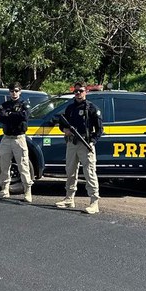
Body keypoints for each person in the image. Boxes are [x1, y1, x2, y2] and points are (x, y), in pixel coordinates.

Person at [56, 81, 104, 214]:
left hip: (85, 143)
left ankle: (94, 202)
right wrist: (65, 129)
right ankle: (69, 198)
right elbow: (62, 123)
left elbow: (99, 129)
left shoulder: (92, 108)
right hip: (72, 143)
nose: (78, 93)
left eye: (80, 91)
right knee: (70, 171)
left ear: (86, 91)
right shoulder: (70, 108)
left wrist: (93, 142)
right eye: (76, 91)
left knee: (89, 173)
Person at [0, 82, 33, 202]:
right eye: (12, 91)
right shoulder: (4, 105)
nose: (14, 93)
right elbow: (1, 117)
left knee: (23, 165)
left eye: (16, 91)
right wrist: (14, 116)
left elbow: (24, 117)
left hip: (19, 138)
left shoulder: (24, 104)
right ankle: (5, 189)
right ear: (9, 92)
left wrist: (10, 115)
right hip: (6, 138)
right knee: (4, 164)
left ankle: (27, 191)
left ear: (20, 92)